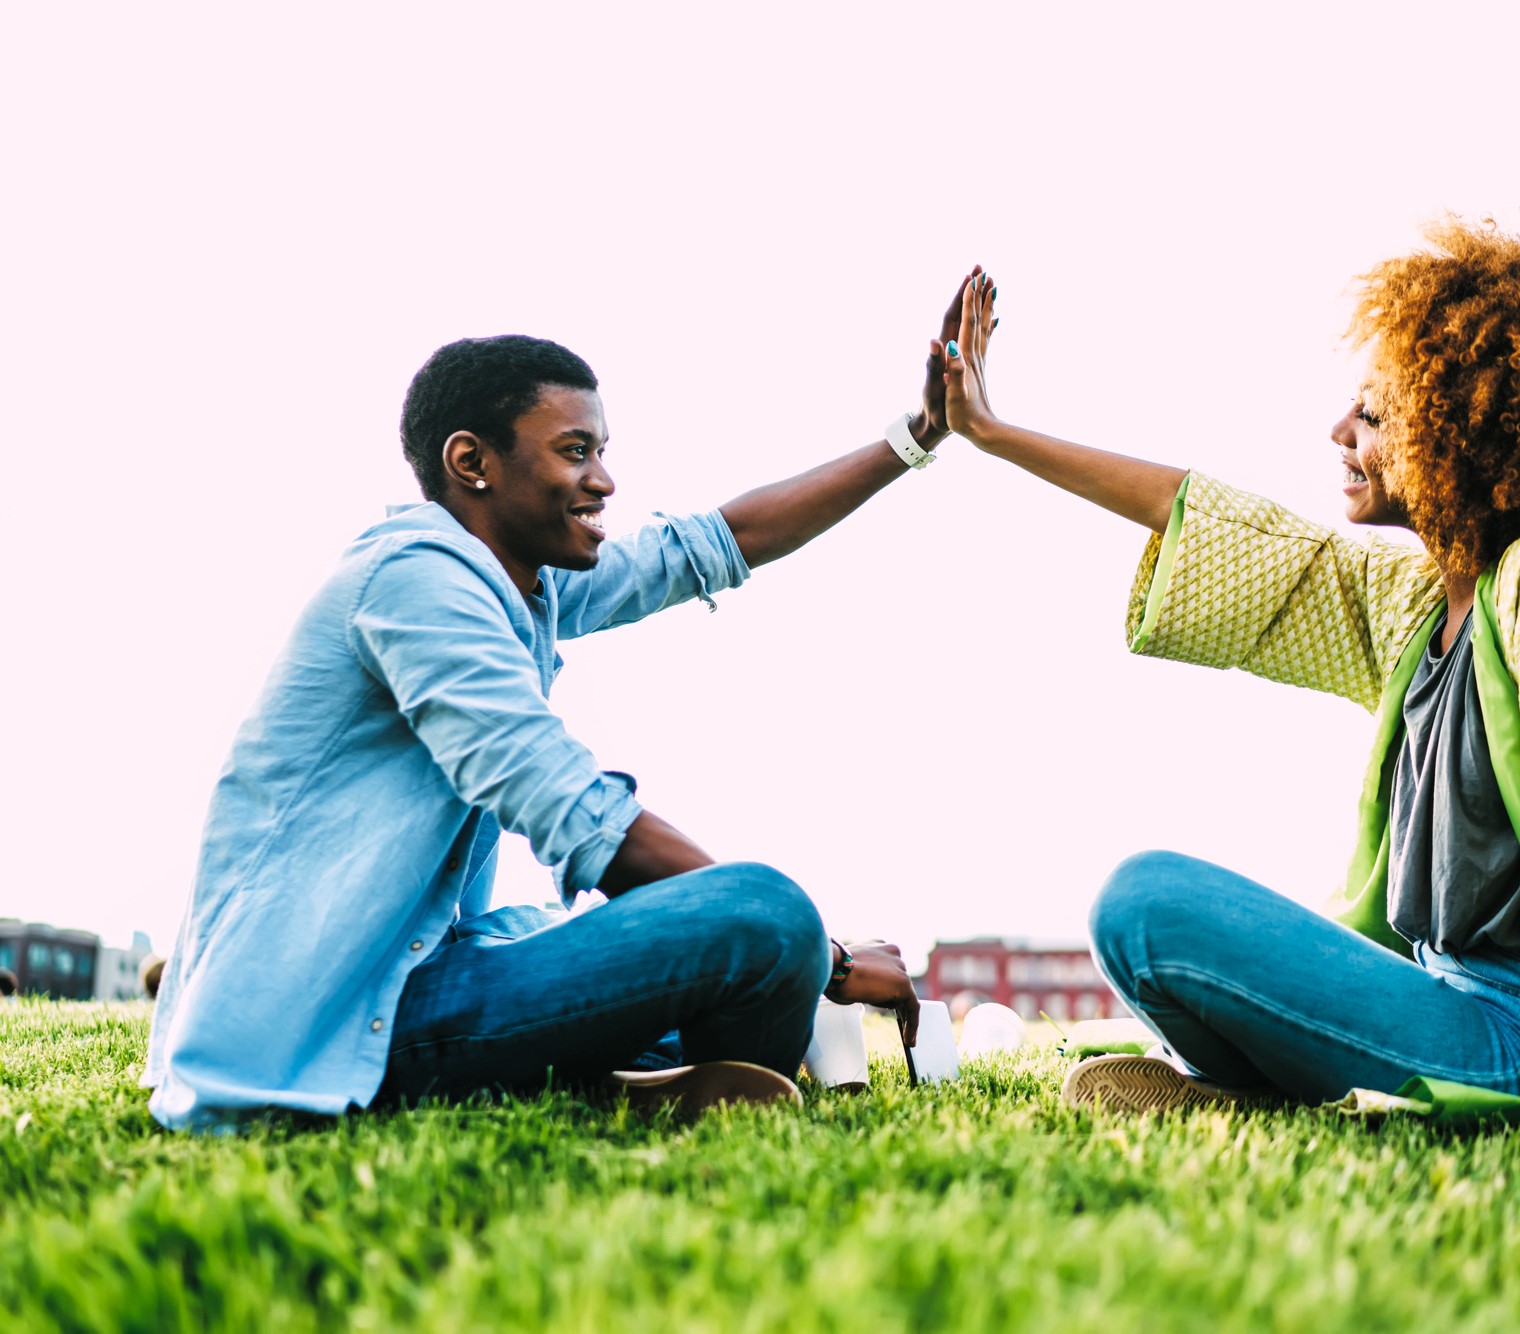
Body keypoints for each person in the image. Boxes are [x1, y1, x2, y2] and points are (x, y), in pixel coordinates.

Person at [939, 221, 1520, 1136]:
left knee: (1143, 903)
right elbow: (1215, 520)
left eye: (1373, 415)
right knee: (1143, 923)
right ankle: (1296, 1094)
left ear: (1465, 436)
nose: (1339, 431)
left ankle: (1294, 1093)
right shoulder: (1417, 603)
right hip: (1443, 992)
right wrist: (993, 434)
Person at [145, 273, 984, 1131]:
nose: (605, 480)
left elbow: (717, 543)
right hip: (330, 1020)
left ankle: (664, 1069)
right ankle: (687, 1061)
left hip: (426, 975)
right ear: (472, 463)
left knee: (606, 929)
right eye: (576, 451)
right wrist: (832, 960)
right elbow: (573, 810)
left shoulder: (520, 581)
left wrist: (918, 436)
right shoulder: (414, 585)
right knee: (765, 915)